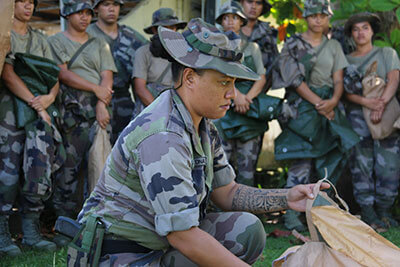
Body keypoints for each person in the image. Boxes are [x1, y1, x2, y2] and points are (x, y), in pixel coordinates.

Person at [75, 18, 329, 266]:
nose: (232, 94)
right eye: (223, 82)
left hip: (161, 241)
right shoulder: (163, 136)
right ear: (189, 78)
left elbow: (227, 192)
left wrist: (287, 197)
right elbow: (183, 235)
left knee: (247, 229)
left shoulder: (201, 124)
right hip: (123, 251)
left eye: (233, 83)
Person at [271, 0, 359, 231]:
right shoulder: (293, 43)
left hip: (328, 109)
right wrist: (318, 102)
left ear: (327, 18)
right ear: (305, 18)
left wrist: (332, 101)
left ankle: (322, 218)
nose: (318, 20)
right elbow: (294, 79)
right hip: (302, 110)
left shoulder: (333, 47)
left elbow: (338, 78)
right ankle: (291, 219)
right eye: (313, 16)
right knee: (301, 161)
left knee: (328, 162)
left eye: (322, 15)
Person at [0, 0, 63, 255]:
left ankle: (31, 231)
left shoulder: (40, 39)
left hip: (39, 111)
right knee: (8, 172)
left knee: (38, 168)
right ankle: (3, 233)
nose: (27, 6)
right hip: (9, 113)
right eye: (21, 1)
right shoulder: (4, 35)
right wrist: (38, 105)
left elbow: (54, 77)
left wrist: (48, 99)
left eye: (31, 2)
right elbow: (7, 73)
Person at [48, 0, 116, 219]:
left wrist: (101, 103)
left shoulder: (100, 43)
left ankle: (95, 219)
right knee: (68, 167)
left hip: (99, 109)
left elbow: (107, 76)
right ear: (68, 15)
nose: (85, 17)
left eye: (88, 13)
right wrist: (96, 90)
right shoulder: (56, 41)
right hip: (72, 112)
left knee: (99, 164)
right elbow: (63, 74)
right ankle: (64, 220)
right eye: (79, 13)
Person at [343, 12, 400, 229]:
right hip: (357, 117)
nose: (361, 33)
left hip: (386, 115)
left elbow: (394, 79)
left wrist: (381, 103)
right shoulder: (346, 60)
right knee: (361, 164)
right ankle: (367, 211)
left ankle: (384, 212)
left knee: (390, 164)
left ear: (373, 31)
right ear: (351, 34)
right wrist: (367, 103)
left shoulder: (387, 53)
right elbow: (344, 91)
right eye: (356, 29)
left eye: (365, 28)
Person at [214, 1, 267, 186]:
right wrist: (235, 95)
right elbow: (215, 75)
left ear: (241, 22)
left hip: (248, 113)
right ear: (220, 22)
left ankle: (249, 212)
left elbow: (261, 78)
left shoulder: (252, 48)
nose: (230, 21)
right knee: (220, 170)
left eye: (235, 18)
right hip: (222, 112)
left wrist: (246, 98)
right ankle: (220, 213)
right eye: (226, 18)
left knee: (247, 170)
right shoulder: (214, 46)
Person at [88, 0, 148, 144]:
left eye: (115, 5)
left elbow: (148, 62)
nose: (111, 9)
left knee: (124, 152)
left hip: (123, 102)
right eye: (106, 4)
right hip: (91, 101)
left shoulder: (132, 37)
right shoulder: (86, 35)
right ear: (96, 8)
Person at [131, 7, 186, 117]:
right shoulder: (143, 52)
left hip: (176, 106)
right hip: (150, 109)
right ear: (154, 30)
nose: (169, 31)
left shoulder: (183, 52)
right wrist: (160, 112)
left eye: (172, 27)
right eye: (165, 27)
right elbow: (140, 88)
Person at [239, 0, 278, 86]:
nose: (254, 6)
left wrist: (256, 92)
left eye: (258, 3)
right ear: (241, 2)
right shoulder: (230, 30)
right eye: (249, 1)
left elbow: (273, 67)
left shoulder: (269, 34)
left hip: (259, 91)